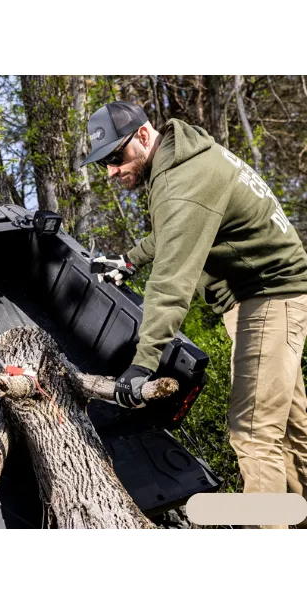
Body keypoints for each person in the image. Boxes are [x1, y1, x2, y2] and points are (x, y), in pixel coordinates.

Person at [80, 101, 307, 529]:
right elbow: (176, 231)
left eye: (114, 157)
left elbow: (171, 284)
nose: (111, 171)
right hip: (276, 292)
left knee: (254, 435)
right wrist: (128, 260)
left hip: (266, 298)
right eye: (103, 163)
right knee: (293, 436)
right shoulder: (187, 157)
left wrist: (143, 364)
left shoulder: (182, 180)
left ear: (143, 136)